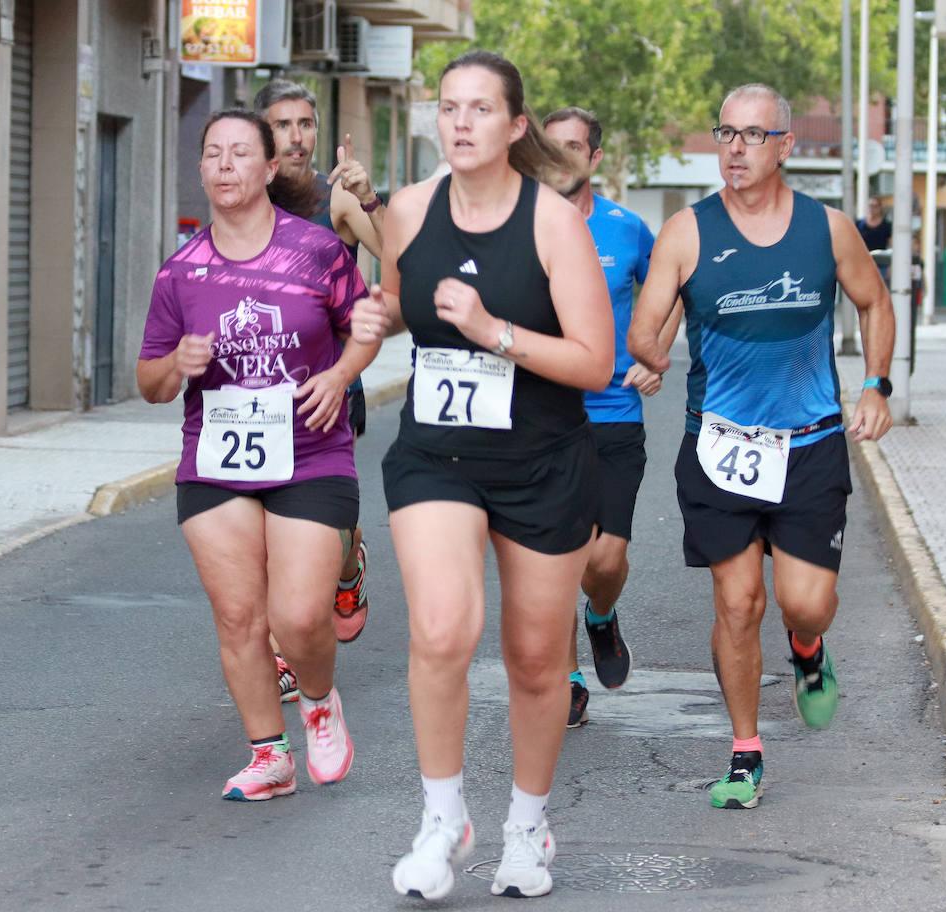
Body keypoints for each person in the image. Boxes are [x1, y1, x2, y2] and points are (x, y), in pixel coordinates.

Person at [353, 51, 614, 899]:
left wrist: (497, 331)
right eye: (449, 107)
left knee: (537, 659)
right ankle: (441, 820)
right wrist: (374, 319)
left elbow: (595, 362)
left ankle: (527, 828)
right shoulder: (408, 210)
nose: (460, 122)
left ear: (514, 126)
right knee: (440, 632)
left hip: (543, 461)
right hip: (436, 453)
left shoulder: (552, 224)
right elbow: (401, 306)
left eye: (479, 109)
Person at [628, 84, 895, 811]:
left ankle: (807, 649)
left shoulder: (827, 230)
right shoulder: (688, 231)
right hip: (721, 446)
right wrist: (650, 353)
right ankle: (746, 751)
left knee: (805, 604)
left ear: (786, 146)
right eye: (726, 133)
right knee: (737, 602)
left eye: (753, 134)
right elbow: (645, 327)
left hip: (809, 446)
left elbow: (873, 301)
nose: (736, 147)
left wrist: (876, 385)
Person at [137, 110, 379, 802]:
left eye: (240, 153)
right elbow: (149, 382)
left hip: (310, 448)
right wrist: (175, 364)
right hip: (216, 457)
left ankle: (321, 699)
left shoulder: (315, 250)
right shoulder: (180, 272)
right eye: (212, 154)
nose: (223, 165)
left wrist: (339, 375)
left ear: (269, 169)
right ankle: (269, 754)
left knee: (299, 616)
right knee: (240, 616)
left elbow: (362, 326)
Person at [543, 107, 682, 727]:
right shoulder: (520, 226)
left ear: (595, 158)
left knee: (604, 559)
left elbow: (670, 293)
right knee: (556, 556)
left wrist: (656, 353)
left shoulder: (627, 230)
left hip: (615, 413)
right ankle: (567, 676)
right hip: (543, 417)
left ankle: (601, 615)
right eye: (553, 147)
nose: (564, 157)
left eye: (575, 146)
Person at [254, 80, 381, 655]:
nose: (297, 136)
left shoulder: (338, 200)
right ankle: (281, 651)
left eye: (306, 123)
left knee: (331, 526)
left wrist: (373, 200)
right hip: (255, 393)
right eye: (283, 124)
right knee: (263, 531)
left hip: (329, 387)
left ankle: (349, 560)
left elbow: (402, 257)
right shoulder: (244, 198)